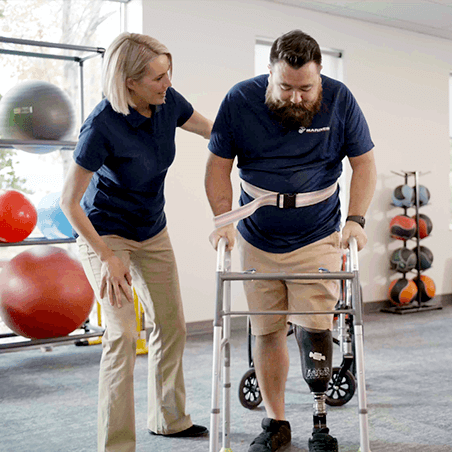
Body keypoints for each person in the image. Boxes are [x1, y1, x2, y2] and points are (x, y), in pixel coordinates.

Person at [205, 29, 376, 452]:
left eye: (306, 88)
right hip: (256, 236)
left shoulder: (339, 100)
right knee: (265, 330)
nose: (296, 98)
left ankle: (320, 421)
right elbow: (217, 167)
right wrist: (223, 219)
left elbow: (364, 163)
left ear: (320, 77)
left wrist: (355, 220)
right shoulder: (240, 100)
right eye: (286, 87)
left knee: (315, 326)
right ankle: (276, 421)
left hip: (318, 234)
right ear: (269, 75)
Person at [60, 32, 212, 452]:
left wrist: (257, 149)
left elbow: (210, 130)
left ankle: (169, 419)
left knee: (171, 324)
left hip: (151, 228)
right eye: (158, 77)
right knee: (123, 333)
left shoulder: (167, 103)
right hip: (105, 233)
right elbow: (69, 202)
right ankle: (116, 445)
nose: (167, 83)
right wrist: (106, 256)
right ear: (128, 82)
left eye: (168, 74)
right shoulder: (102, 125)